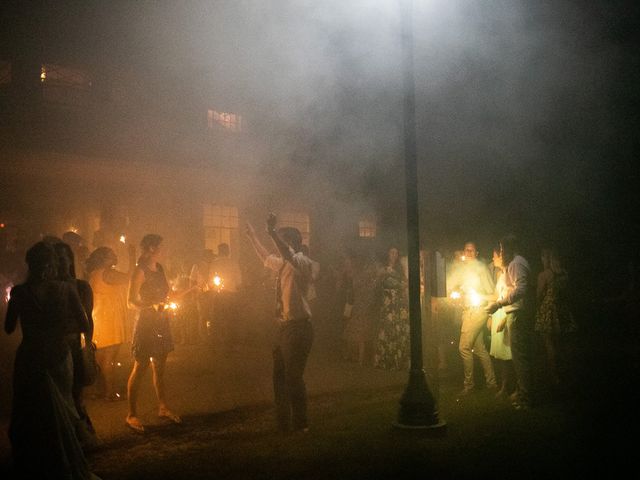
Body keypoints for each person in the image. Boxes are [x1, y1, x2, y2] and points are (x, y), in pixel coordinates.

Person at [4, 241, 100, 479]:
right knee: (63, 408)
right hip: (58, 354)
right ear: (51, 265)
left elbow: (8, 328)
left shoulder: (19, 292)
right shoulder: (65, 290)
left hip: (31, 356)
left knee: (31, 411)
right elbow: (84, 323)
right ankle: (63, 462)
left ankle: (35, 465)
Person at [246, 213, 314, 433]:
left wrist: (271, 232)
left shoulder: (302, 261)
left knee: (293, 377)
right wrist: (252, 238)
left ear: (292, 243)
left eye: (281, 241)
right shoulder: (284, 264)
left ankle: (301, 424)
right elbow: (266, 257)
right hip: (284, 327)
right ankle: (284, 423)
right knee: (279, 377)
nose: (276, 246)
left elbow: (285, 253)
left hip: (299, 328)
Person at [125, 234, 181, 433]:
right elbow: (130, 301)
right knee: (140, 367)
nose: (165, 250)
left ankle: (163, 407)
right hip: (146, 324)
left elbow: (166, 293)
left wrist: (185, 292)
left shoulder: (160, 269)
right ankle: (131, 414)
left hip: (161, 323)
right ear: (150, 249)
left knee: (160, 367)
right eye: (161, 247)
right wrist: (152, 305)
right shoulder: (140, 271)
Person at [486, 234, 535, 410]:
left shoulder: (516, 263)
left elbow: (521, 288)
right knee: (518, 357)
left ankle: (526, 398)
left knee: (520, 358)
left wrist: (499, 303)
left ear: (507, 249)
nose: (499, 253)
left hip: (518, 314)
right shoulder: (511, 265)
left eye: (500, 249)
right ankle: (522, 393)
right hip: (514, 313)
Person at [86, 245, 135, 401]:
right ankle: (110, 392)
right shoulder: (108, 273)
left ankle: (99, 391)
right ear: (104, 259)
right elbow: (131, 278)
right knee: (109, 359)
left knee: (99, 358)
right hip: (109, 320)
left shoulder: (94, 273)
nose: (115, 255)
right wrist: (132, 256)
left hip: (98, 318)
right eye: (112, 254)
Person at [449, 242, 497, 395]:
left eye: (472, 250)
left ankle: (469, 385)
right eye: (466, 250)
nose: (468, 252)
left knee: (463, 347)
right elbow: (458, 287)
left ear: (476, 253)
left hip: (477, 311)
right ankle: (492, 382)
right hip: (467, 311)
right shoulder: (463, 268)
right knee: (479, 348)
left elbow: (493, 294)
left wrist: (488, 313)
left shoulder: (481, 269)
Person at [534, 248, 578, 387]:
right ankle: (566, 372)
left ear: (546, 258)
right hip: (562, 310)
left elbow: (539, 295)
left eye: (542, 257)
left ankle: (554, 376)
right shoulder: (564, 273)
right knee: (562, 344)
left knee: (549, 345)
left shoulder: (544, 275)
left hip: (548, 311)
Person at [373, 246, 410, 371]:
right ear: (388, 254)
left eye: (396, 253)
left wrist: (395, 276)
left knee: (397, 328)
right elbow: (376, 283)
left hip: (397, 302)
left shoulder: (400, 268)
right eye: (391, 252)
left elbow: (405, 284)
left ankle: (397, 361)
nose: (393, 255)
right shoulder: (382, 268)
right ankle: (386, 360)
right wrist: (382, 274)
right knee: (387, 328)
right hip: (387, 302)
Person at [488, 245, 514, 398]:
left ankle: (510, 387)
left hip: (504, 316)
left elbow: (511, 298)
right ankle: (504, 385)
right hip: (497, 315)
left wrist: (504, 318)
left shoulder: (509, 274)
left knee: (508, 353)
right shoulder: (500, 274)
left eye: (495, 256)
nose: (493, 258)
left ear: (502, 257)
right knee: (500, 354)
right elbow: (496, 296)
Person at [210, 242, 243, 350]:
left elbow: (210, 281)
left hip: (218, 295)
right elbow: (239, 281)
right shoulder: (233, 263)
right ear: (228, 252)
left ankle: (215, 343)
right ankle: (231, 344)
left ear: (219, 252)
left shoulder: (214, 264)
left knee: (216, 319)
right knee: (231, 319)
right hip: (231, 295)